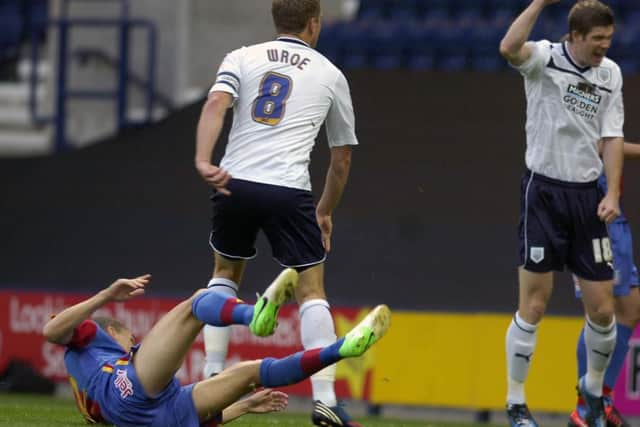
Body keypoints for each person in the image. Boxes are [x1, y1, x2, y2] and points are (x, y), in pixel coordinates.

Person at [194, 0, 359, 425]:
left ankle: (212, 384)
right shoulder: (329, 74)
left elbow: (216, 103)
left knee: (224, 277)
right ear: (314, 23)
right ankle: (324, 399)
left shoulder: (242, 56)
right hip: (288, 190)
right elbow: (341, 159)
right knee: (311, 292)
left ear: (276, 21)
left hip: (236, 183)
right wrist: (324, 211)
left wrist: (202, 158)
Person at [42, 270, 391, 427]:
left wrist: (243, 406)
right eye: (129, 338)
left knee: (254, 373)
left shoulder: (91, 369)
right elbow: (51, 329)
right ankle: (253, 315)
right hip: (132, 392)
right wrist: (106, 295)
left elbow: (197, 416)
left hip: (163, 415)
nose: (135, 342)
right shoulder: (92, 343)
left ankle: (341, 349)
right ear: (113, 331)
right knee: (197, 303)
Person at [499, 0, 625, 426]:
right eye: (597, 39)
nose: (604, 47)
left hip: (588, 197)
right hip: (545, 194)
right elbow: (508, 47)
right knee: (534, 304)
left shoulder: (611, 74)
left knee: (604, 310)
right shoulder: (543, 59)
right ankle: (516, 402)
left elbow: (611, 137)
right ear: (574, 36)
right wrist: (538, 3)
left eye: (608, 39)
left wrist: (613, 194)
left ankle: (590, 394)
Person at [569, 141, 640, 427]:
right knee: (601, 312)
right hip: (595, 214)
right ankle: (586, 408)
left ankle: (601, 397)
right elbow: (598, 143)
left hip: (612, 214)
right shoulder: (589, 96)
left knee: (631, 309)